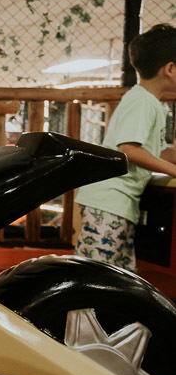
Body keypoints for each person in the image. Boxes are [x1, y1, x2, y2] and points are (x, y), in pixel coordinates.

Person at [75, 23, 176, 271]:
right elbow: (129, 150)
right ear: (171, 69)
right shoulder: (142, 101)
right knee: (95, 277)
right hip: (108, 201)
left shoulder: (150, 102)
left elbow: (157, 151)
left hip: (119, 203)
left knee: (121, 276)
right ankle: (78, 311)